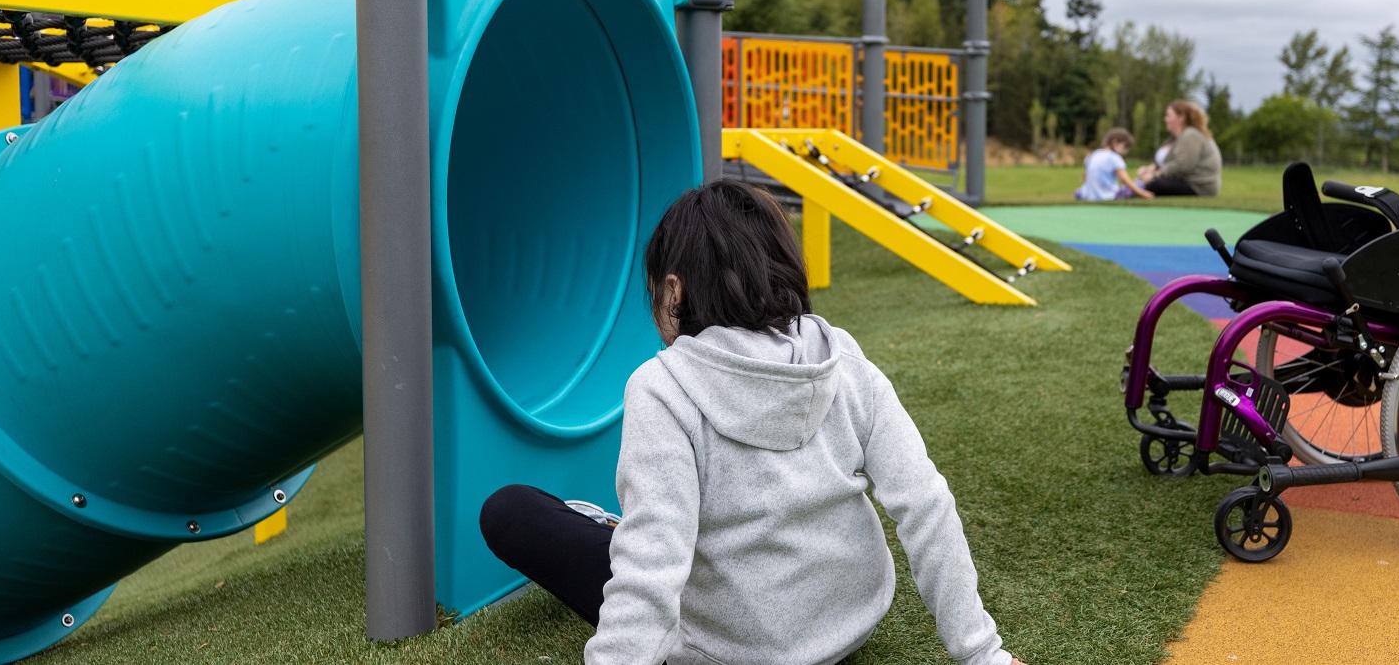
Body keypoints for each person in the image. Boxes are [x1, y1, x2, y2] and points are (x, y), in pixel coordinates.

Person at [479, 180, 1025, 665]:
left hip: (728, 649)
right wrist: (983, 653)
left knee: (511, 510)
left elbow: (651, 572)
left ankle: (611, 529)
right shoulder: (841, 358)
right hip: (850, 624)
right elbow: (926, 505)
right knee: (642, 533)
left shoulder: (663, 384)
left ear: (673, 291)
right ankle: (615, 529)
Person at [1138, 100, 1222, 197]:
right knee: (1150, 182)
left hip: (1198, 187)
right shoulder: (1174, 138)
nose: (1165, 119)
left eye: (1168, 116)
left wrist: (1155, 175)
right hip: (1184, 182)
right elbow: (1166, 162)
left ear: (1181, 118)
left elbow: (1183, 167)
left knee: (1156, 184)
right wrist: (1148, 170)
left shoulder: (1190, 135)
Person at [1074, 128, 1153, 201]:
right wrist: (1142, 193)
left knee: (1079, 191)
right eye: (1125, 147)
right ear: (1115, 143)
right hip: (1109, 196)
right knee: (1139, 184)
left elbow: (1085, 177)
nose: (1126, 152)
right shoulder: (1115, 157)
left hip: (1088, 195)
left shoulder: (1093, 154)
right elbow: (1124, 179)